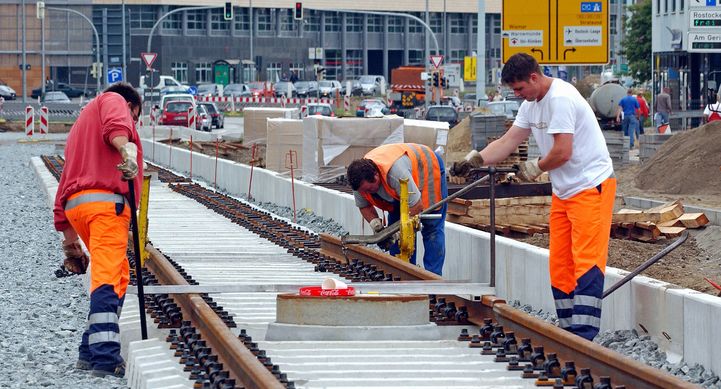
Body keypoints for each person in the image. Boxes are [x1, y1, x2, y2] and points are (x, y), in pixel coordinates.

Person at [451, 53, 615, 341]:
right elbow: (509, 141)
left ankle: (584, 335)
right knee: (560, 264)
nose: (517, 95)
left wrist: (535, 167)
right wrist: (475, 160)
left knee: (586, 260)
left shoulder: (560, 99)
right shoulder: (531, 103)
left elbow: (563, 151)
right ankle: (569, 331)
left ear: (534, 77)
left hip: (591, 187)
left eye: (519, 89)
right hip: (564, 191)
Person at [53, 82, 143, 378]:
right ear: (131, 106)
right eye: (136, 118)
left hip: (79, 208)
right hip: (107, 207)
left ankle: (88, 350)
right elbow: (118, 125)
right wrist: (126, 149)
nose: (134, 125)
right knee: (106, 277)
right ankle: (105, 358)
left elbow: (64, 182)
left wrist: (70, 242)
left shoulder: (80, 126)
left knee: (118, 275)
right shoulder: (114, 99)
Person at [347, 143, 448, 275]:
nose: (367, 193)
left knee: (431, 228)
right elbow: (364, 206)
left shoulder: (395, 173)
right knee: (395, 232)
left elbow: (416, 206)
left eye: (369, 189)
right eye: (364, 191)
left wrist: (400, 231)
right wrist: (376, 224)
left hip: (426, 167)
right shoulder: (359, 183)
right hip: (400, 188)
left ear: (376, 177)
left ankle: (432, 278)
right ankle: (403, 275)